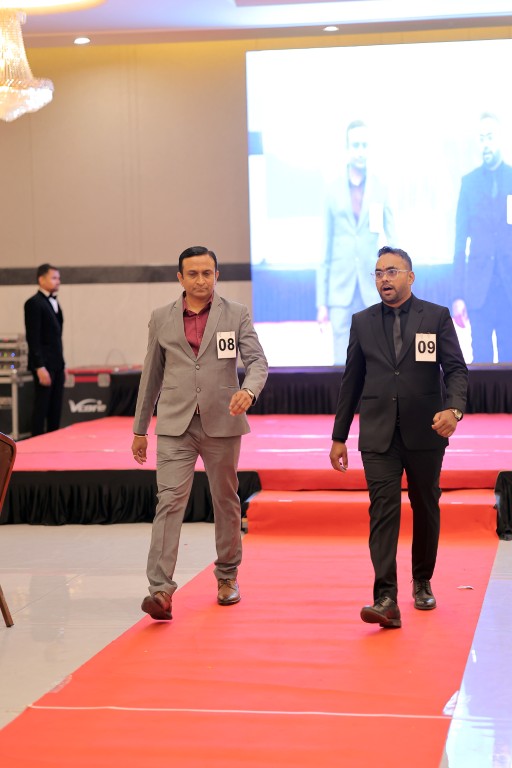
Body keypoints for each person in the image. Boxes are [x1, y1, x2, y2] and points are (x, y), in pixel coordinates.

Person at [329, 246, 468, 629]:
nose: (384, 279)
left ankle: (422, 581)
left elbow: (456, 370)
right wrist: (339, 436)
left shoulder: (435, 316)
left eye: (391, 271)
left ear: (410, 276)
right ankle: (385, 597)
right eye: (378, 273)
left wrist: (453, 410)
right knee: (383, 510)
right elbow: (351, 381)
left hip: (426, 431)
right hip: (378, 434)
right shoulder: (362, 321)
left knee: (426, 505)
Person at [132, 246, 268, 621]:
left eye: (207, 273)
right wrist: (140, 428)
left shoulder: (236, 313)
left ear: (216, 275)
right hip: (175, 424)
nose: (200, 280)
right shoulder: (161, 317)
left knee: (225, 500)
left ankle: (227, 577)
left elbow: (257, 361)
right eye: (192, 273)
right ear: (180, 278)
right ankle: (160, 589)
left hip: (222, 421)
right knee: (169, 501)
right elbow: (151, 375)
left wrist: (249, 390)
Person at [317, 119, 397, 365]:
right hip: (340, 290)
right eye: (355, 146)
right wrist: (321, 302)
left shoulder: (381, 188)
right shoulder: (331, 190)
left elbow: (393, 242)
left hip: (372, 287)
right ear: (347, 149)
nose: (360, 151)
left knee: (376, 361)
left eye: (364, 145)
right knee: (342, 365)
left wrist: (396, 287)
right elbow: (324, 248)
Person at [453, 112, 512, 363]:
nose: (486, 144)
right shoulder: (469, 183)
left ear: (500, 139)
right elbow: (459, 243)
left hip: (508, 289)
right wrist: (457, 295)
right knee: (481, 364)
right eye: (481, 138)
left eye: (490, 137)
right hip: (479, 292)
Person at [24, 263, 65, 436]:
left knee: (56, 407)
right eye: (54, 278)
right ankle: (36, 442)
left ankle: (52, 440)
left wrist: (62, 364)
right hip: (44, 365)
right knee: (42, 407)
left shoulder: (54, 303)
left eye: (59, 278)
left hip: (57, 364)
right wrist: (39, 367)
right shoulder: (33, 303)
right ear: (41, 280)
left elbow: (56, 338)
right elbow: (33, 338)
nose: (58, 281)